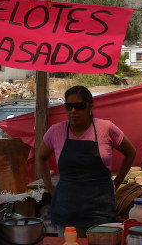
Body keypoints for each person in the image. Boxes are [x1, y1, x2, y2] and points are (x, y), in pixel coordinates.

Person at [35, 86, 136, 233]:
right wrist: (50, 187)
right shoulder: (56, 131)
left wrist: (118, 181)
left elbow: (130, 152)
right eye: (69, 107)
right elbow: (40, 157)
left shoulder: (106, 128)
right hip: (67, 209)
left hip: (100, 209)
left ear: (90, 106)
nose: (73, 111)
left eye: (79, 106)